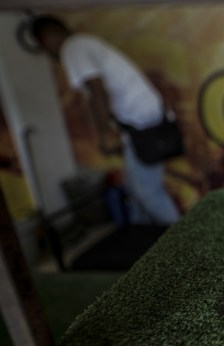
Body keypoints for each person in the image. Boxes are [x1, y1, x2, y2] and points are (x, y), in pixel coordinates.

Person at [31, 15, 180, 226]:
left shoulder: (73, 48)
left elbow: (97, 92)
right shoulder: (85, 43)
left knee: (147, 192)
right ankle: (144, 239)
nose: (47, 52)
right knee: (134, 188)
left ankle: (187, 246)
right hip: (142, 121)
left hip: (141, 122)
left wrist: (104, 135)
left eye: (43, 45)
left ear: (48, 37)